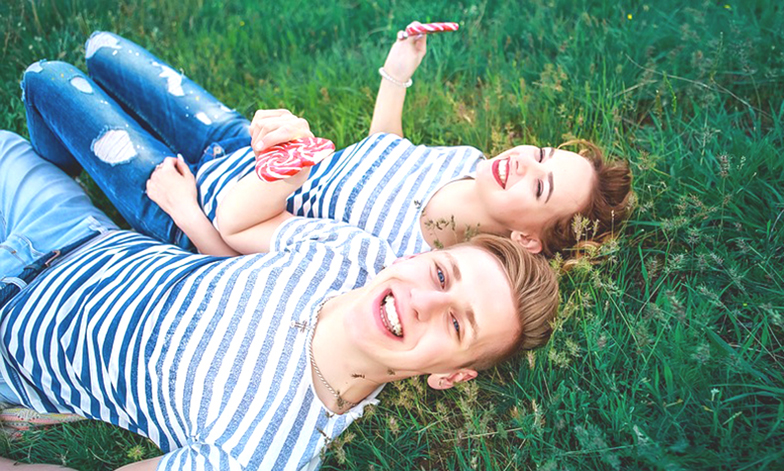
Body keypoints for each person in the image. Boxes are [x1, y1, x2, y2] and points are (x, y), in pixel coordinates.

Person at [0, 130, 558, 471]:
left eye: (457, 322)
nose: (425, 301)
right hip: (73, 229)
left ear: (449, 375)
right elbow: (237, 232)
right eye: (441, 274)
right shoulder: (354, 252)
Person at [23, 31, 632, 262]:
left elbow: (246, 257)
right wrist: (396, 75)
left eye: (541, 184)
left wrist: (183, 211)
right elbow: (385, 151)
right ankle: (79, 149)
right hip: (239, 143)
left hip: (190, 198)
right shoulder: (466, 167)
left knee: (46, 79)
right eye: (544, 154)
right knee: (102, 48)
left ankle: (58, 170)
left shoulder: (406, 261)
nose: (526, 161)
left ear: (527, 239)